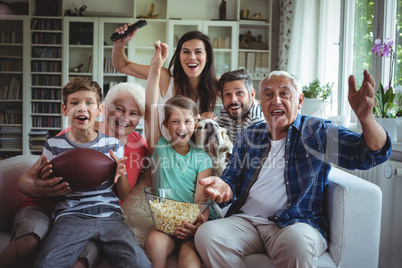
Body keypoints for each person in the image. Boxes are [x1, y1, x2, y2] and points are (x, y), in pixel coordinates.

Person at [194, 70, 392, 267]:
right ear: (261, 103)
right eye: (269, 95)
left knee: (297, 244)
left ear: (299, 101)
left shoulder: (317, 132)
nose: (276, 101)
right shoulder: (249, 135)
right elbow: (231, 180)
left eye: (285, 93)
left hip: (294, 224)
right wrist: (224, 188)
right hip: (247, 222)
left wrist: (366, 119)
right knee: (207, 235)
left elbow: (370, 153)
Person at [0, 82, 149, 268]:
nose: (125, 117)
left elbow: (136, 185)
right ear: (107, 109)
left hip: (103, 215)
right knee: (28, 244)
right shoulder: (71, 136)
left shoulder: (138, 146)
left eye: (134, 113)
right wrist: (39, 188)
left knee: (81, 262)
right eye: (119, 109)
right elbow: (26, 179)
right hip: (58, 209)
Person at [143, 41, 213, 268]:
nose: (181, 127)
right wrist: (156, 66)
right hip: (163, 224)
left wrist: (196, 225)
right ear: (165, 125)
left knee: (190, 260)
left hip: (189, 226)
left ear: (196, 123)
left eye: (187, 121)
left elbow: (201, 201)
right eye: (175, 121)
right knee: (154, 243)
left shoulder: (202, 157)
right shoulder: (159, 147)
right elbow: (150, 105)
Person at [112, 27, 219, 133]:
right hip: (159, 147)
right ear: (179, 56)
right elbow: (122, 65)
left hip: (191, 149)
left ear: (207, 57)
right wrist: (119, 44)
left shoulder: (215, 84)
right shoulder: (166, 77)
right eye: (186, 52)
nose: (192, 57)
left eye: (198, 52)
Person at [216, 69, 265, 144]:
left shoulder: (258, 120)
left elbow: (250, 154)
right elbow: (220, 144)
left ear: (252, 95)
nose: (233, 100)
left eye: (239, 93)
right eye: (227, 94)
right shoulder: (224, 111)